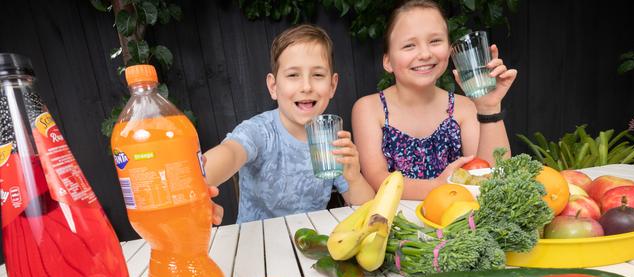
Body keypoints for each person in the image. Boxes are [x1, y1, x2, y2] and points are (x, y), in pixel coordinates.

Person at [204, 24, 375, 223]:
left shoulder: (329, 139)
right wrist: (197, 183)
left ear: (332, 85)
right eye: (293, 75)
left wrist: (353, 178)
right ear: (274, 86)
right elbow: (231, 153)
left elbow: (368, 208)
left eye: (318, 75)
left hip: (309, 244)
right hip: (259, 246)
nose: (306, 86)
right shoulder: (260, 131)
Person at [351, 0, 517, 200]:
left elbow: (494, 177)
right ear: (388, 61)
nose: (425, 54)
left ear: (449, 50)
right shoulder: (369, 109)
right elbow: (378, 180)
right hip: (396, 224)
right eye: (409, 45)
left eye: (435, 41)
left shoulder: (464, 108)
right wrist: (439, 186)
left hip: (456, 222)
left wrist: (489, 107)